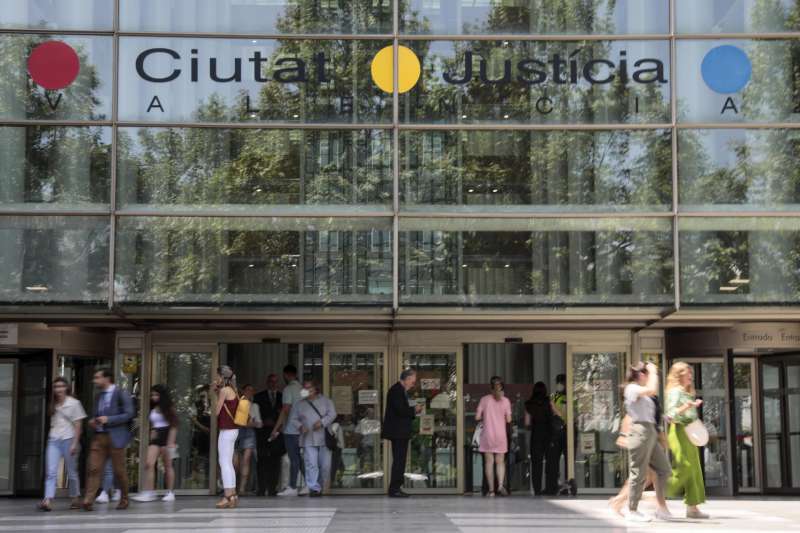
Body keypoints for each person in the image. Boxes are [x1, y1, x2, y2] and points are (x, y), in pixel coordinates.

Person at [623, 362, 673, 522]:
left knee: (664, 469)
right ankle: (632, 509)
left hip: (650, 430)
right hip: (640, 431)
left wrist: (664, 418)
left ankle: (660, 507)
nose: (649, 376)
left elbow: (650, 410)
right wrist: (654, 372)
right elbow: (651, 389)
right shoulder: (632, 388)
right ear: (641, 375)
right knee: (638, 472)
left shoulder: (643, 392)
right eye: (646, 373)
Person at [82, 368, 135, 511]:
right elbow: (96, 414)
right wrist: (93, 421)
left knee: (119, 471)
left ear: (107, 378)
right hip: (99, 437)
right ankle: (88, 500)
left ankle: (124, 498)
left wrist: (109, 419)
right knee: (93, 468)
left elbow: (129, 414)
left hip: (116, 437)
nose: (95, 381)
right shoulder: (98, 396)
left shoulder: (120, 393)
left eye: (97, 377)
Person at [665, 362, 709, 519]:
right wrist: (687, 406)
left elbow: (687, 413)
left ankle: (693, 508)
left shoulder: (687, 391)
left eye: (691, 373)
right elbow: (670, 415)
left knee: (694, 469)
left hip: (689, 431)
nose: (691, 376)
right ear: (679, 375)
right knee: (685, 466)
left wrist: (692, 405)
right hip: (679, 431)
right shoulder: (675, 391)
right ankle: (660, 493)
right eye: (687, 373)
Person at [38, 377, 87, 511]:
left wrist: (74, 443)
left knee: (71, 472)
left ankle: (75, 498)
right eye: (56, 387)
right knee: (51, 471)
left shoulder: (74, 403)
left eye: (61, 386)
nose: (58, 389)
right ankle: (47, 499)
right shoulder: (53, 403)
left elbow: (78, 425)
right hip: (53, 439)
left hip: (69, 439)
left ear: (67, 388)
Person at [133, 384, 178, 502]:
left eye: (156, 395)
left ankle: (170, 492)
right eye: (152, 395)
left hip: (167, 435)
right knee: (148, 463)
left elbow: (174, 425)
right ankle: (149, 492)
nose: (154, 397)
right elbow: (154, 423)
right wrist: (152, 431)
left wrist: (171, 442)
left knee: (167, 466)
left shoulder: (169, 407)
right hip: (156, 436)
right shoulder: (153, 407)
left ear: (162, 395)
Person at [382, 369, 423, 497]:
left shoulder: (400, 390)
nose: (413, 384)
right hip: (398, 432)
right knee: (399, 460)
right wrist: (414, 410)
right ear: (406, 378)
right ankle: (394, 489)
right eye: (413, 381)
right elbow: (400, 410)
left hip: (399, 432)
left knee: (400, 460)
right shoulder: (396, 390)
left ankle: (396, 487)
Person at [293, 380, 337, 497]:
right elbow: (293, 419)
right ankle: (314, 487)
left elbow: (332, 414)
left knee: (325, 465)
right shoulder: (299, 404)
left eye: (309, 388)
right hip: (308, 438)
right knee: (311, 463)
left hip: (324, 438)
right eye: (305, 388)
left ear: (315, 388)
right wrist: (300, 426)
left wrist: (322, 422)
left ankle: (320, 485)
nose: (307, 390)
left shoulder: (326, 401)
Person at [475, 376, 512, 497]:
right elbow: (509, 419)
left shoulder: (484, 400)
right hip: (501, 435)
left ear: (491, 387)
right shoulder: (506, 401)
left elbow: (477, 417)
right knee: (500, 462)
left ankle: (491, 490)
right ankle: (500, 485)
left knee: (489, 463)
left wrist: (486, 416)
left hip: (488, 435)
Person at [273, 364, 306, 497]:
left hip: (291, 430)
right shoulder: (304, 390)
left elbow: (285, 410)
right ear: (296, 374)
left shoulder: (288, 389)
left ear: (286, 375)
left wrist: (276, 428)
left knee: (294, 458)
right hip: (303, 429)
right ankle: (310, 483)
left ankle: (292, 486)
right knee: (301, 458)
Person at [213, 365, 239, 509]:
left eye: (217, 376)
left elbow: (217, 411)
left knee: (224, 463)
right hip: (233, 430)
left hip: (226, 431)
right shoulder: (233, 390)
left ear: (222, 377)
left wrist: (215, 394)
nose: (216, 379)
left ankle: (227, 496)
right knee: (228, 462)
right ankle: (233, 495)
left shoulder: (224, 390)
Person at [254, 373, 284, 496]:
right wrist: (263, 421)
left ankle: (272, 488)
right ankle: (261, 488)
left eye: (275, 382)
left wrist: (278, 427)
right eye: (271, 381)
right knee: (261, 461)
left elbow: (285, 415)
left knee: (275, 461)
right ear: (267, 383)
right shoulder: (259, 396)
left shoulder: (283, 397)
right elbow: (254, 414)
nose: (273, 384)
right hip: (262, 433)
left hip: (277, 433)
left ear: (278, 383)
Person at [524, 381, 553, 496]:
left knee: (537, 464)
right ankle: (550, 488)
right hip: (549, 434)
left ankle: (537, 490)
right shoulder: (548, 402)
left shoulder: (529, 404)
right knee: (550, 462)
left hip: (536, 435)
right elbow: (555, 414)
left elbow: (527, 423)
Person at [233, 384, 262, 495]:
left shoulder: (255, 406)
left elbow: (259, 423)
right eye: (247, 390)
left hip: (249, 434)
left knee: (246, 460)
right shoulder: (237, 404)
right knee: (235, 463)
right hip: (237, 432)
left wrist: (252, 423)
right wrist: (247, 422)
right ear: (243, 391)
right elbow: (236, 421)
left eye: (252, 390)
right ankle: (233, 487)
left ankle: (242, 488)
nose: (250, 392)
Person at [549, 373, 568, 495]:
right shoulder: (554, 396)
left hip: (567, 431)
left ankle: (567, 485)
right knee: (554, 459)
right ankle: (555, 484)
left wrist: (554, 407)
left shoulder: (571, 396)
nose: (559, 384)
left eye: (561, 382)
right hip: (556, 431)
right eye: (558, 382)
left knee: (568, 460)